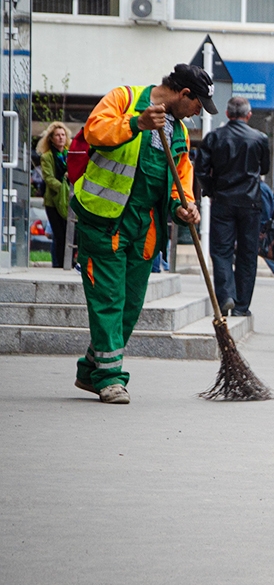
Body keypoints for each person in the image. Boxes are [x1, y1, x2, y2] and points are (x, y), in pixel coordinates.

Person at [71, 64, 211, 404]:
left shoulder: (177, 132)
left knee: (130, 306)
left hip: (145, 230)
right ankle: (109, 378)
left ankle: (91, 369)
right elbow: (95, 132)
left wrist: (184, 205)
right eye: (197, 105)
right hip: (105, 221)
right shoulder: (125, 99)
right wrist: (136, 123)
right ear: (184, 94)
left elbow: (181, 176)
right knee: (109, 301)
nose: (197, 113)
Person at [196, 96, 271, 317]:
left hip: (223, 200)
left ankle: (225, 295)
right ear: (248, 115)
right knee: (248, 254)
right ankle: (241, 306)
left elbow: (200, 170)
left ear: (227, 114)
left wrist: (210, 190)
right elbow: (264, 167)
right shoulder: (259, 138)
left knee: (221, 251)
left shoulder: (214, 137)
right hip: (250, 202)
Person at [37, 121, 71, 269]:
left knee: (71, 234)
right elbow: (49, 179)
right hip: (53, 201)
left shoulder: (69, 154)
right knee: (59, 234)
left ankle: (69, 262)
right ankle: (60, 265)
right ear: (51, 138)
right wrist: (64, 188)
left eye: (63, 135)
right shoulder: (47, 156)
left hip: (68, 200)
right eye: (57, 135)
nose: (61, 138)